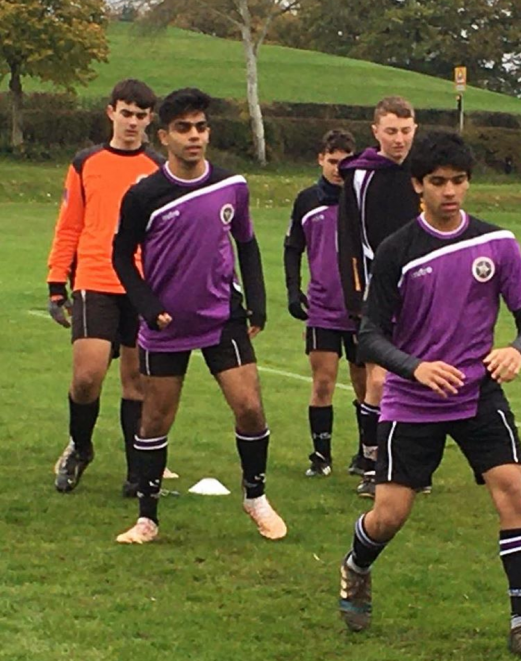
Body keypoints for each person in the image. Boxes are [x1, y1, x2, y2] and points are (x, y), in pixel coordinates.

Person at [337, 130, 521, 661]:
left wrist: (517, 351)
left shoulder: (497, 243)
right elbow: (369, 336)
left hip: (477, 394)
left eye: (458, 181)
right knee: (390, 514)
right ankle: (357, 565)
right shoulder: (397, 251)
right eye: (438, 182)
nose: (450, 191)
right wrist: (415, 368)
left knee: (513, 492)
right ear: (419, 186)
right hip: (413, 402)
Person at [112, 87, 286, 544]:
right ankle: (147, 517)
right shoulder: (144, 194)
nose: (195, 136)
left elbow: (246, 243)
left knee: (249, 407)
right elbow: (120, 257)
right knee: (155, 419)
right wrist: (148, 306)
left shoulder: (232, 185)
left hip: (221, 318)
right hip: (166, 326)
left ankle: (256, 496)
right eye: (184, 129)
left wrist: (258, 301)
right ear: (164, 136)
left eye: (202, 127)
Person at [47, 79, 162, 496]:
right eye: (126, 113)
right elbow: (70, 224)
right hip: (94, 279)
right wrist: (56, 280)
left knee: (136, 382)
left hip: (140, 287)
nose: (132, 122)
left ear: (150, 120)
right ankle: (80, 447)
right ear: (111, 112)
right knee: (87, 378)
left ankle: (137, 473)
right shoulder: (86, 163)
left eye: (141, 115)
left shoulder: (156, 169)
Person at [337, 96, 422, 495]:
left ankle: (413, 465)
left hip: (423, 291)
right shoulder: (359, 176)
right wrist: (356, 298)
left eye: (406, 131)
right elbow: (348, 241)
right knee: (380, 380)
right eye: (391, 131)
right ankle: (374, 464)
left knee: (422, 377)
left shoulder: (426, 173)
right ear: (375, 132)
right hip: (377, 292)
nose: (399, 139)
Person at [284, 129, 367, 477]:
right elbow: (293, 247)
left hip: (361, 309)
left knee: (367, 385)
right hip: (322, 308)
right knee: (322, 382)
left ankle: (368, 453)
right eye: (333, 161)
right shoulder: (307, 201)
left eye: (345, 163)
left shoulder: (363, 200)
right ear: (320, 159)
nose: (338, 169)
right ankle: (321, 455)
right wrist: (292, 290)